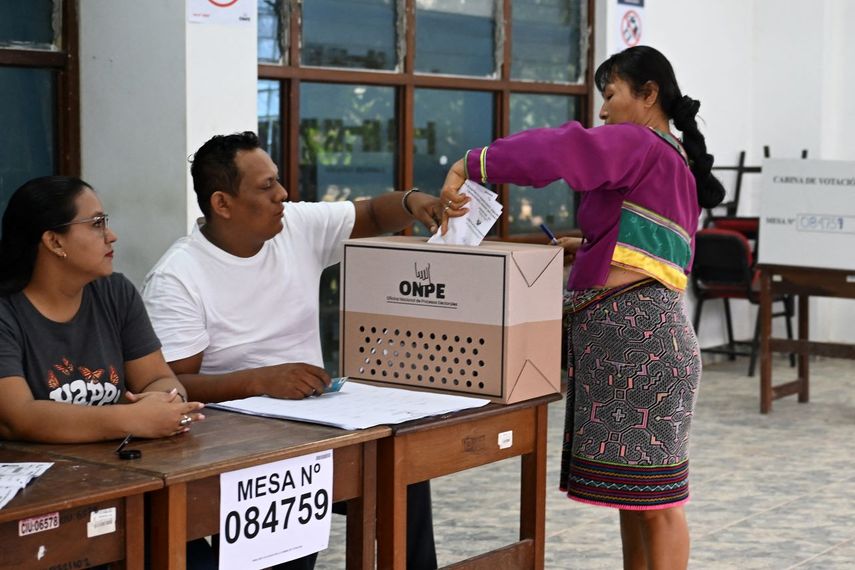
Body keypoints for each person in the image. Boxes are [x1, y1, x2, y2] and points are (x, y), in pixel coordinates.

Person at [439, 46, 725, 570]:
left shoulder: (639, 142)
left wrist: (474, 162)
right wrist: (589, 247)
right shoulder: (672, 157)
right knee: (638, 501)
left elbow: (563, 151)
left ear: (648, 94)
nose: (603, 111)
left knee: (658, 506)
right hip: (636, 346)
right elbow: (648, 250)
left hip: (641, 350)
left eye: (610, 95)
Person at [141, 131, 443, 569]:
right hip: (232, 443)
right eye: (265, 188)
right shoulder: (178, 277)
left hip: (313, 421)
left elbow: (375, 214)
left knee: (404, 468)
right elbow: (169, 389)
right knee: (285, 540)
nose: (283, 194)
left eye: (278, 181)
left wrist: (414, 202)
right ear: (222, 204)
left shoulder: (294, 226)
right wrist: (259, 382)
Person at [0, 176, 205, 444]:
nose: (111, 236)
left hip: (118, 466)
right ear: (54, 242)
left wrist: (168, 401)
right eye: (97, 224)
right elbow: (18, 417)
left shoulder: (116, 293)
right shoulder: (7, 312)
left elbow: (156, 378)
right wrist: (134, 419)